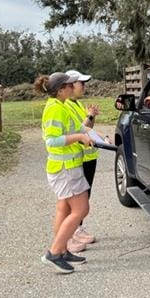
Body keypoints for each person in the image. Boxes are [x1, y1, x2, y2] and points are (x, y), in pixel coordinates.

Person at [34, 72, 94, 274]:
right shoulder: (54, 110)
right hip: (64, 170)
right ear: (61, 89)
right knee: (81, 209)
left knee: (65, 209)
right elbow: (51, 141)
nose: (74, 87)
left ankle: (63, 250)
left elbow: (79, 128)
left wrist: (92, 135)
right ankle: (54, 252)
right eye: (70, 85)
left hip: (69, 168)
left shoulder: (61, 106)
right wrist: (79, 136)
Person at [64, 69, 110, 250]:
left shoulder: (77, 104)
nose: (83, 86)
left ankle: (78, 228)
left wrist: (100, 133)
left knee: (85, 195)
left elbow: (86, 128)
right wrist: (89, 116)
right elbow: (78, 130)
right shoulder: (66, 105)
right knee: (76, 198)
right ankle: (72, 232)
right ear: (70, 85)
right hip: (77, 158)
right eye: (80, 83)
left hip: (88, 156)